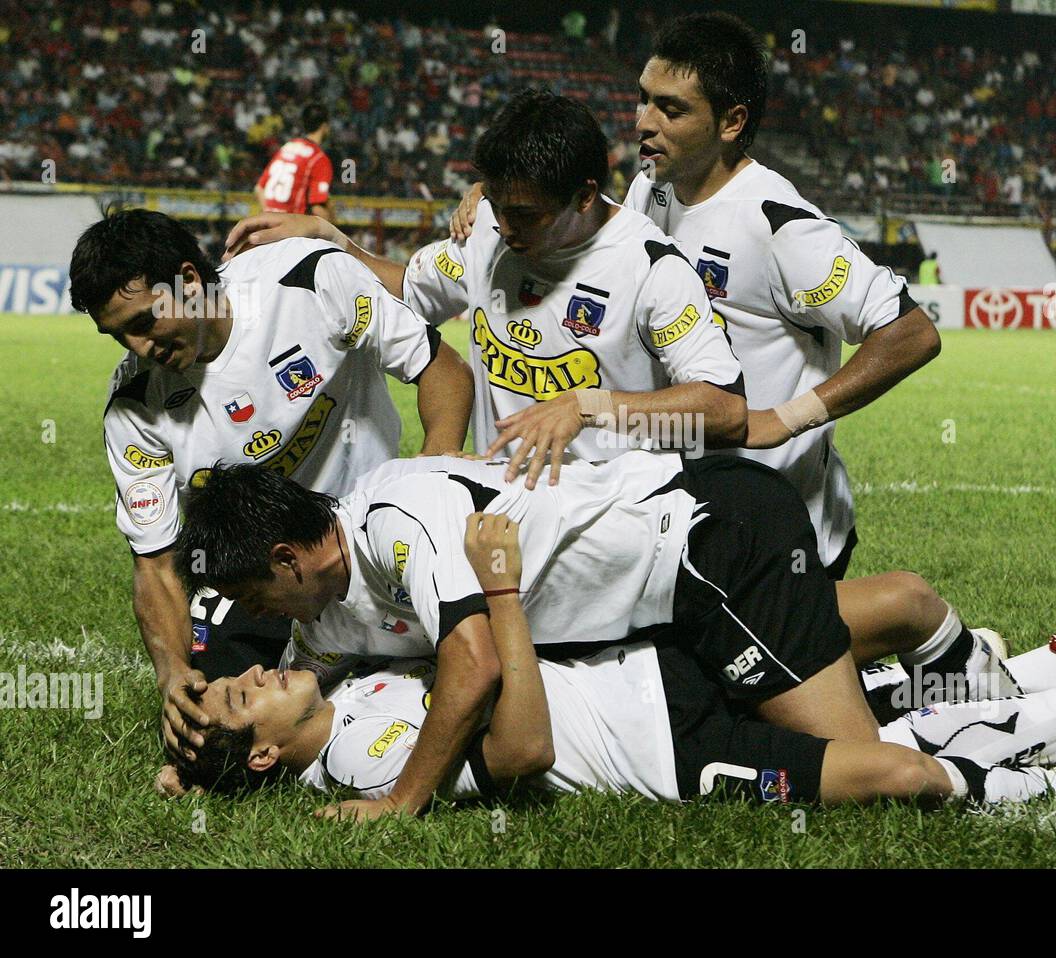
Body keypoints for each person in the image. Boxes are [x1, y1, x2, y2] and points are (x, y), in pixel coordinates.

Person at [172, 514, 1056, 807]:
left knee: (882, 697)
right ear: (266, 756)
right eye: (240, 698)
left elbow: (292, 653)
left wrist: (186, 755)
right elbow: (521, 748)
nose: (253, 670)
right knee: (892, 764)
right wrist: (500, 602)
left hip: (654, 680)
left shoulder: (340, 687)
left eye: (237, 669)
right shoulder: (362, 765)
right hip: (658, 747)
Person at [450, 13, 941, 580]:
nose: (643, 123)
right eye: (643, 100)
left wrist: (786, 417)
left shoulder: (778, 225)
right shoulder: (649, 187)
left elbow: (911, 332)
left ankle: (922, 655)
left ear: (732, 122)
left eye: (671, 109)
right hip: (686, 505)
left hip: (777, 517)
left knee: (779, 663)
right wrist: (497, 188)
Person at [68, 208, 474, 765]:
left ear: (189, 282)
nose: (139, 348)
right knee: (215, 730)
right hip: (259, 580)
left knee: (468, 654)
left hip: (365, 550)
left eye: (143, 323)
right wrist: (172, 674)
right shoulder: (136, 406)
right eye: (119, 336)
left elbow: (442, 369)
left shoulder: (308, 282)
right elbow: (156, 566)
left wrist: (430, 494)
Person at [224, 91, 749, 491]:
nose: (505, 228)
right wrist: (332, 241)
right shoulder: (488, 232)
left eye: (525, 214)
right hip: (499, 506)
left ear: (585, 194)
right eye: (496, 205)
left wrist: (589, 405)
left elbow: (725, 409)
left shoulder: (652, 268)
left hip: (610, 514)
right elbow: (410, 289)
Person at [256, 102, 335, 220]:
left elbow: (259, 188)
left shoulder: (287, 147)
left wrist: (270, 214)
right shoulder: (318, 158)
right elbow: (317, 208)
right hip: (291, 230)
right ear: (324, 127)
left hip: (268, 228)